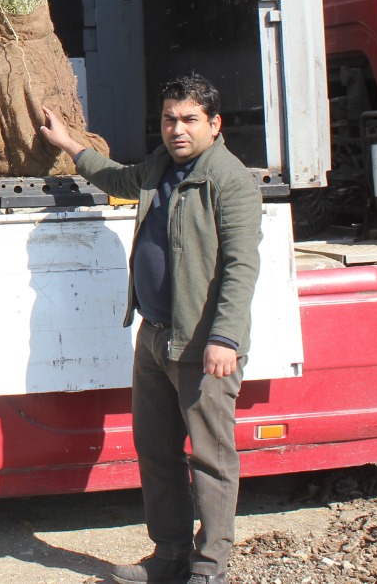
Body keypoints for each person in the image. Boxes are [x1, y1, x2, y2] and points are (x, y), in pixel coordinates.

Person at [39, 72, 261, 584]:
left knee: (210, 461)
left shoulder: (229, 180)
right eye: (169, 119)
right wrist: (72, 144)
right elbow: (119, 179)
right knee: (156, 452)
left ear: (214, 124)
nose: (177, 129)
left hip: (202, 343)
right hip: (155, 336)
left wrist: (224, 338)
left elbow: (241, 268)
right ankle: (169, 557)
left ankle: (209, 569)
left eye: (188, 120)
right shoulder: (162, 165)